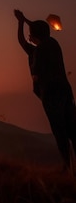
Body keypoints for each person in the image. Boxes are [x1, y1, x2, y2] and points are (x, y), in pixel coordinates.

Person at [14, 9, 76, 171]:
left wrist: (22, 22)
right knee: (72, 128)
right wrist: (23, 20)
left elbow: (36, 72)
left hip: (51, 93)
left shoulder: (39, 51)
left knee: (59, 130)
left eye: (31, 33)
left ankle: (66, 165)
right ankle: (70, 165)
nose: (29, 35)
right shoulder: (52, 44)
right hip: (65, 91)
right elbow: (25, 40)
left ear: (35, 35)